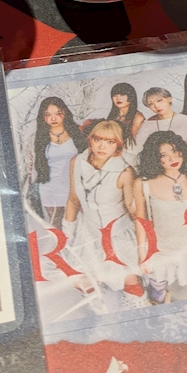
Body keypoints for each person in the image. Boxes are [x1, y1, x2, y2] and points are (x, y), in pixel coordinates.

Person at [133, 131, 187, 304]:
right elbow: (141, 220)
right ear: (154, 158)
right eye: (163, 155)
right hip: (161, 247)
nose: (172, 158)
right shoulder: (143, 183)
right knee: (157, 287)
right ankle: (159, 298)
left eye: (175, 151)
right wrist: (142, 254)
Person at [63, 121, 143, 299]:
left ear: (118, 146)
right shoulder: (76, 162)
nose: (102, 146)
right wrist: (67, 233)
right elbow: (73, 200)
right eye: (98, 139)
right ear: (90, 140)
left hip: (118, 236)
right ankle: (103, 304)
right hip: (88, 233)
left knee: (131, 287)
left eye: (110, 142)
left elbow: (134, 210)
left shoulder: (125, 172)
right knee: (85, 285)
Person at [31, 97, 88, 229]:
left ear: (65, 113)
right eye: (48, 115)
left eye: (58, 113)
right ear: (43, 117)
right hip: (50, 188)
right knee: (56, 226)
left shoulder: (77, 132)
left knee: (80, 225)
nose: (53, 118)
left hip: (74, 187)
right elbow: (37, 165)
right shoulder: (40, 136)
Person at [133, 87, 187, 157]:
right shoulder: (147, 125)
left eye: (159, 100)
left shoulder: (186, 120)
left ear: (169, 99)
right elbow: (136, 149)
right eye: (151, 104)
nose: (156, 106)